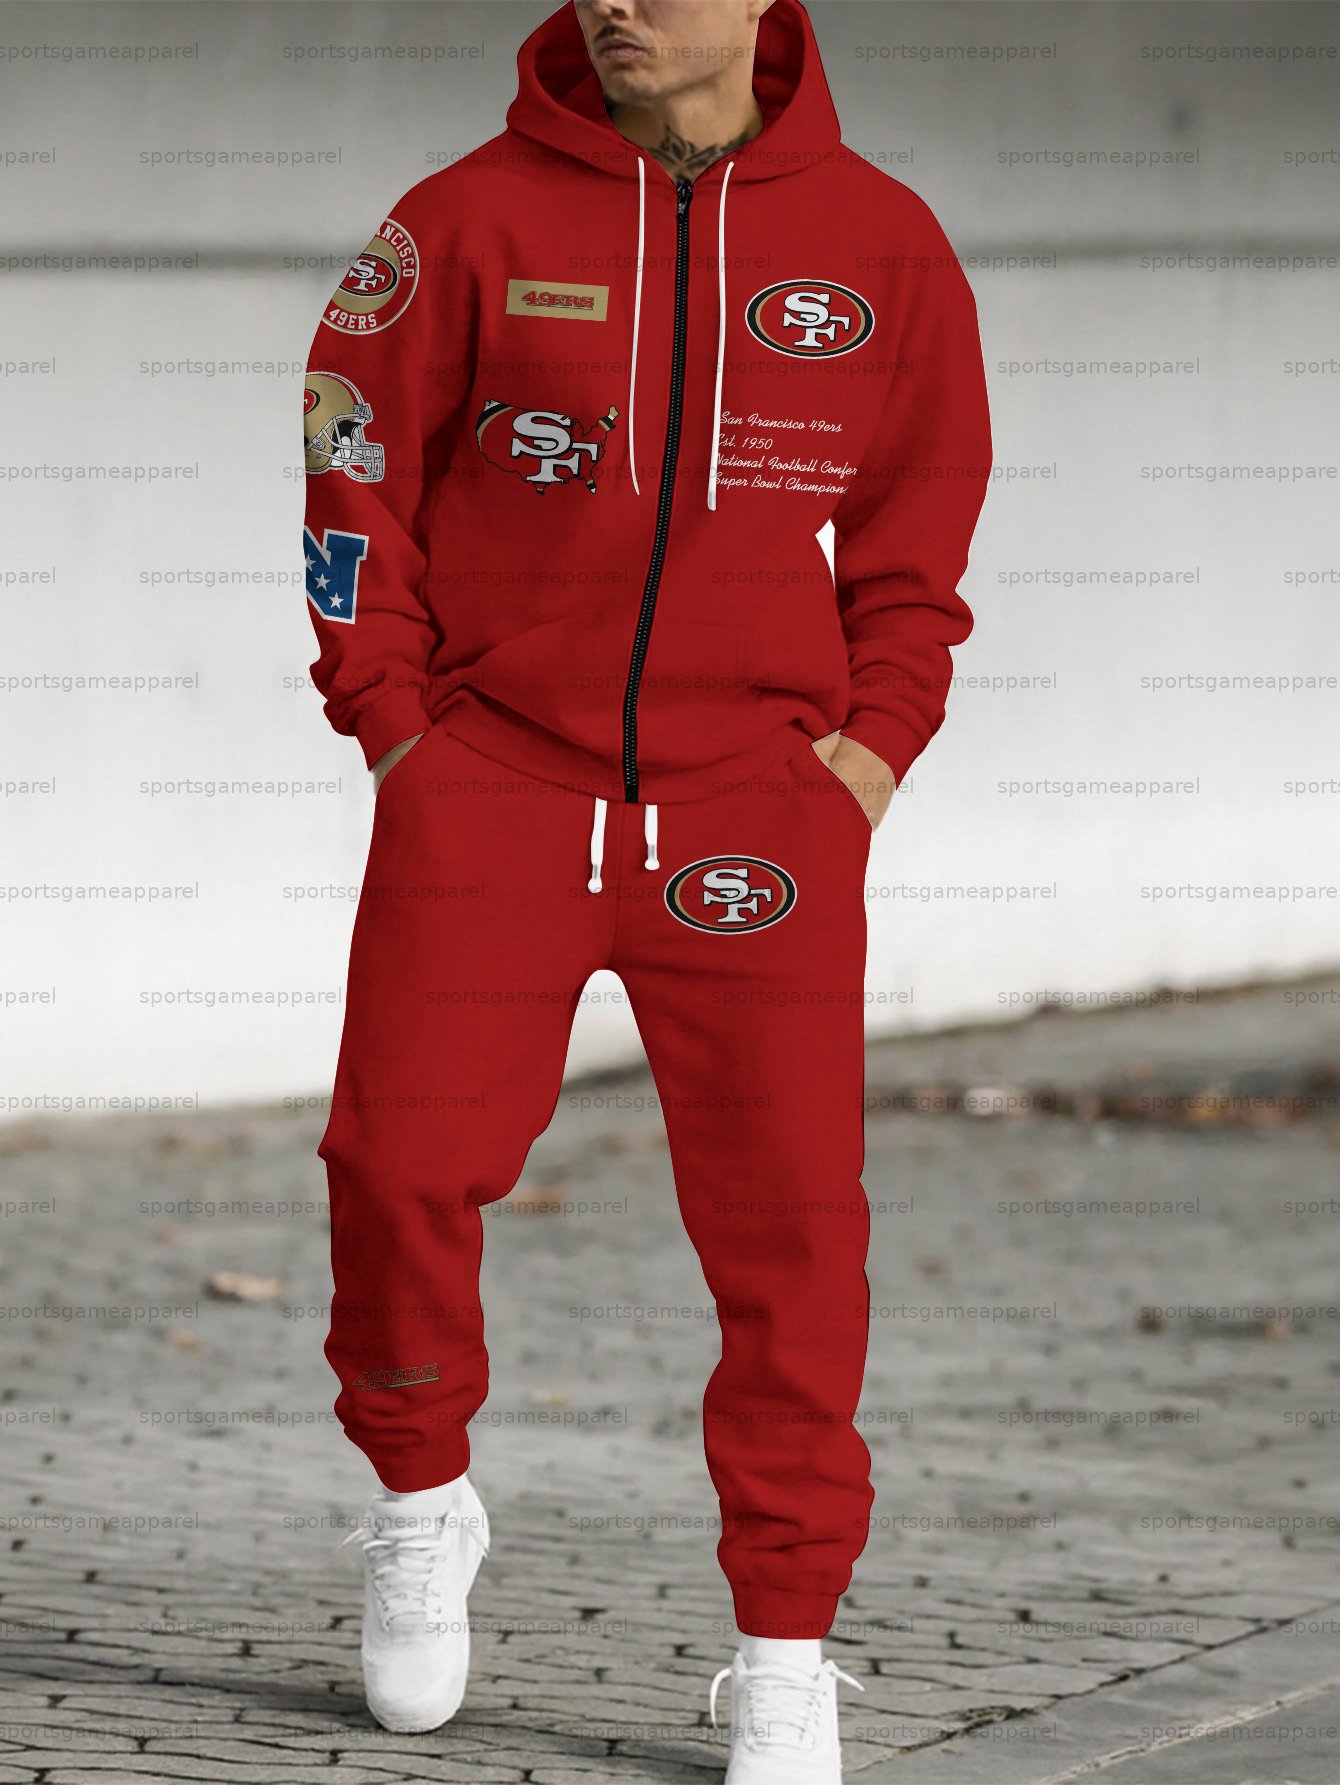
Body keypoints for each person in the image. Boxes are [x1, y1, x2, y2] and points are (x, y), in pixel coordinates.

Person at [302, 0, 990, 1775]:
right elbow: (353, 463)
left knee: (791, 1237)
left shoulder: (885, 243)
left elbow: (918, 538)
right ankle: (420, 1495)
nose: (615, 4)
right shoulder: (460, 221)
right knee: (394, 1163)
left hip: (759, 814)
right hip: (493, 788)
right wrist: (396, 730)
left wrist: (864, 759)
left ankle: (785, 1645)